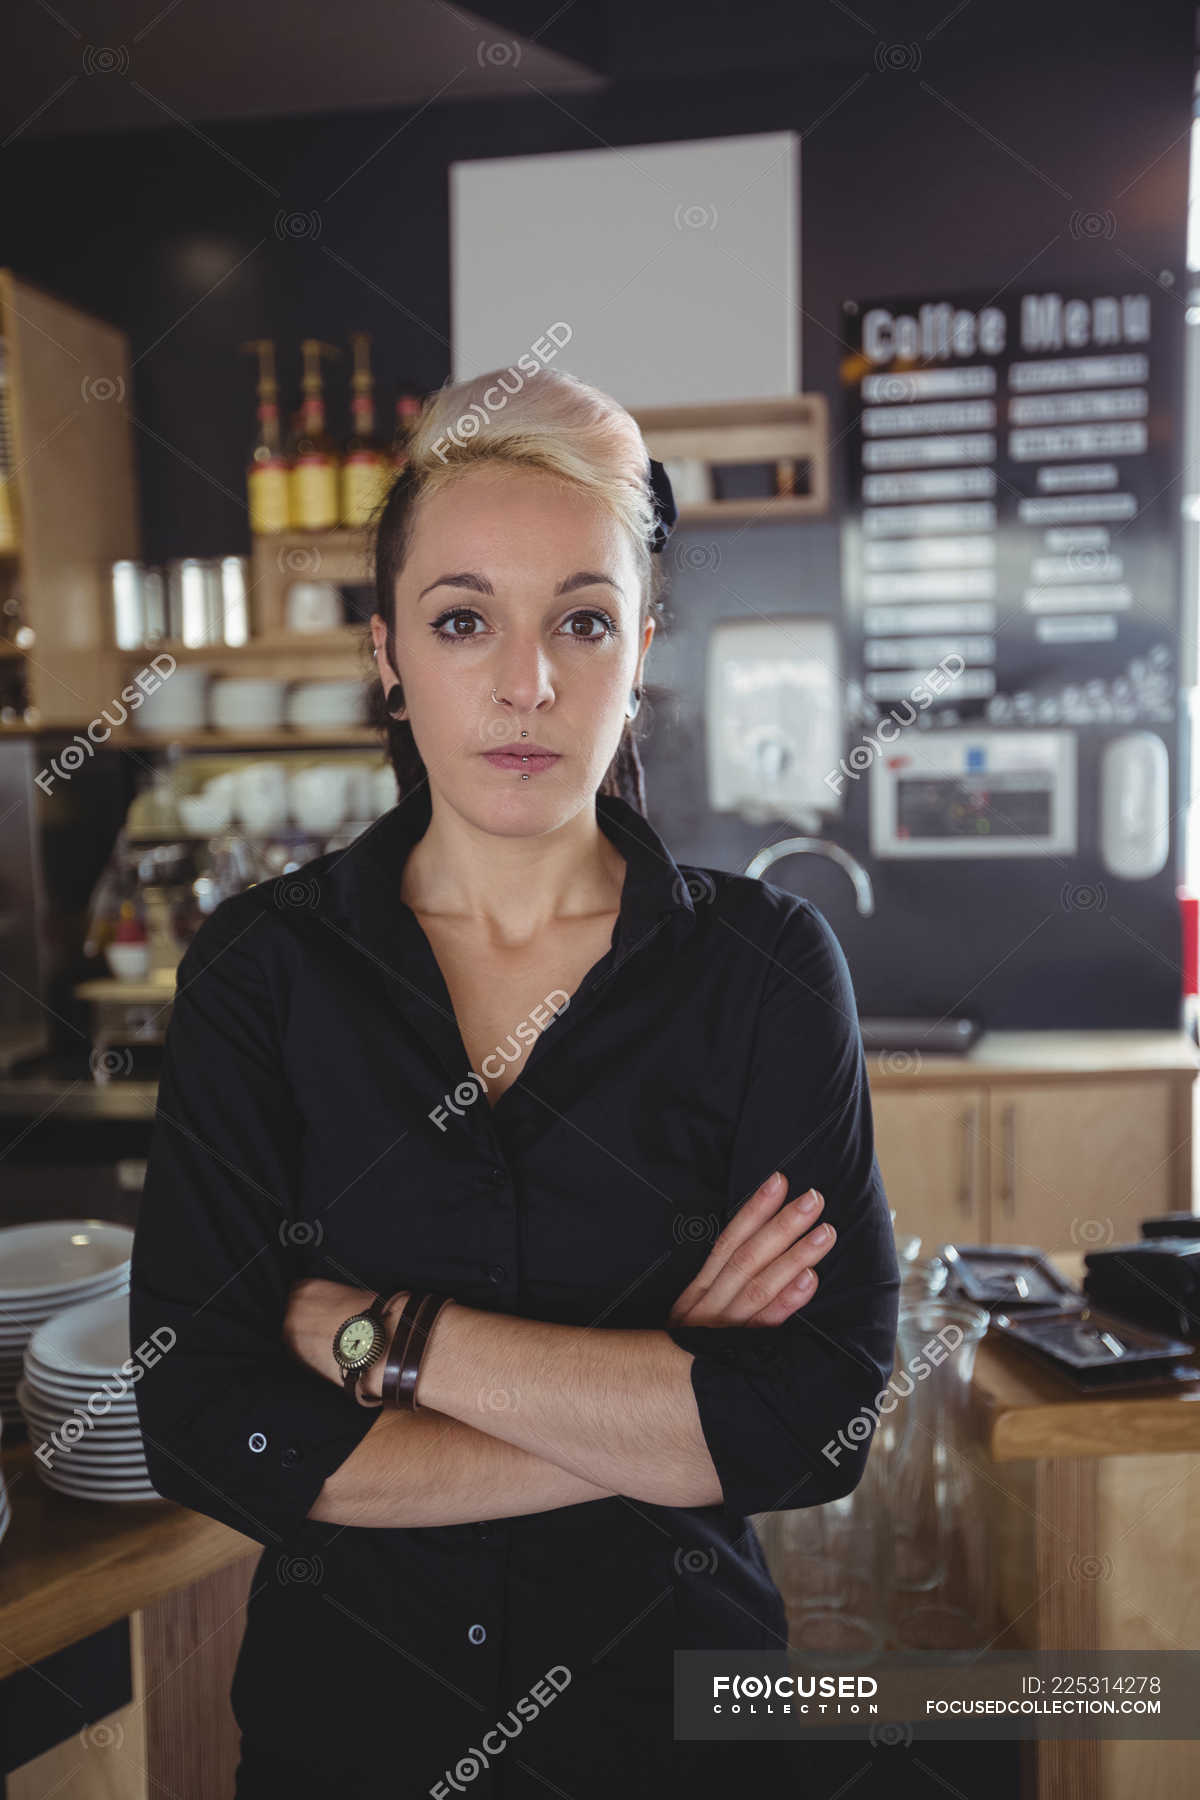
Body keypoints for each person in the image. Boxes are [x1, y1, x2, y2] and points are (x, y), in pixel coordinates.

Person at [128, 367, 900, 1798]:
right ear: (386, 650)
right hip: (348, 1737)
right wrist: (670, 1400)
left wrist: (388, 1340)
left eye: (583, 621)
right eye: (464, 618)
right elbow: (204, 1426)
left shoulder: (767, 969)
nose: (526, 682)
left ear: (643, 646)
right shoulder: (262, 974)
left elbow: (826, 1421)